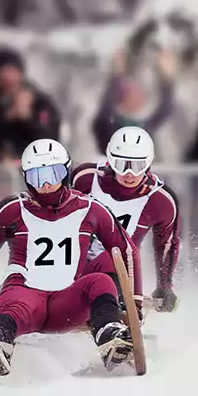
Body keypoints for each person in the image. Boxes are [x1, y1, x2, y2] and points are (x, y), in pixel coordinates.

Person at [0, 138, 143, 376]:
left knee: (101, 281)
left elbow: (127, 251)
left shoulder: (90, 208)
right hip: (25, 298)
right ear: (26, 178)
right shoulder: (12, 209)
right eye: (37, 177)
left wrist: (135, 301)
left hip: (67, 302)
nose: (47, 184)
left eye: (53, 174)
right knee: (14, 294)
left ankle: (109, 333)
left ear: (65, 173)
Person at [73, 126, 179, 313]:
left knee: (112, 268)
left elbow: (166, 244)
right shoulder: (85, 178)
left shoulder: (161, 200)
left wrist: (165, 287)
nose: (129, 174)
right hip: (74, 259)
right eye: (121, 165)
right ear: (110, 160)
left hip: (119, 268)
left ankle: (113, 313)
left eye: (137, 166)